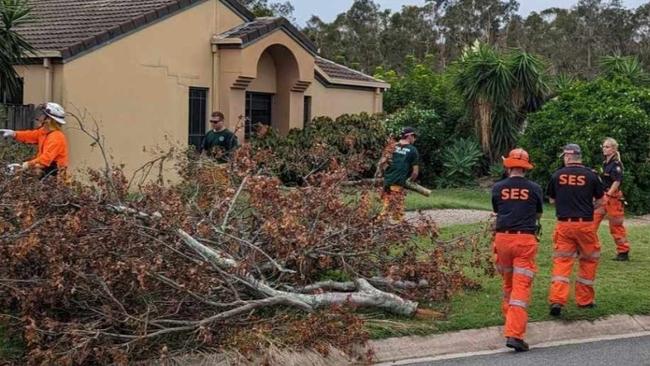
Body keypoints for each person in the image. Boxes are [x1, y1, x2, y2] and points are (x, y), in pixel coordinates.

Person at [491, 148, 543, 352]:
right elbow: (538, 214)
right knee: (521, 287)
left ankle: (509, 319)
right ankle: (514, 334)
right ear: (525, 168)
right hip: (524, 240)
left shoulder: (498, 187)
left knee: (508, 283)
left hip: (502, 239)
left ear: (509, 166)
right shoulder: (534, 188)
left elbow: (497, 210)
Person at [547, 144, 604, 317]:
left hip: (564, 225)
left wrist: (565, 205)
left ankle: (557, 300)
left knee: (562, 262)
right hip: (585, 224)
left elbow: (551, 200)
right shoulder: (592, 175)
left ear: (568, 156)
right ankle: (584, 300)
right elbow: (601, 202)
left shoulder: (557, 175)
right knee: (588, 260)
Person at [1, 102, 69, 179]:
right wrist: (14, 134)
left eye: (42, 114)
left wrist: (25, 165)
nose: (39, 116)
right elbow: (30, 135)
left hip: (55, 176)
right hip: (45, 173)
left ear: (49, 119)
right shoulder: (44, 132)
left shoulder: (57, 137)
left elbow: (45, 159)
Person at [594, 137, 630, 261]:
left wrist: (608, 195)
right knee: (591, 223)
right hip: (603, 197)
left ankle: (623, 251)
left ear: (614, 149)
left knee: (615, 226)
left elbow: (617, 182)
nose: (604, 149)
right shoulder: (605, 163)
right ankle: (590, 248)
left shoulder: (616, 164)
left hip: (613, 198)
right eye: (603, 146)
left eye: (607, 147)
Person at [378, 127, 419, 221]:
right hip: (398, 182)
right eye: (414, 136)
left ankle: (395, 228)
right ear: (409, 136)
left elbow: (382, 163)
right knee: (393, 207)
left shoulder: (392, 146)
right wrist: (409, 181)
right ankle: (378, 224)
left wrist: (387, 173)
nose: (415, 139)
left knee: (388, 204)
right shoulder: (413, 150)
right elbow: (415, 172)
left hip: (387, 181)